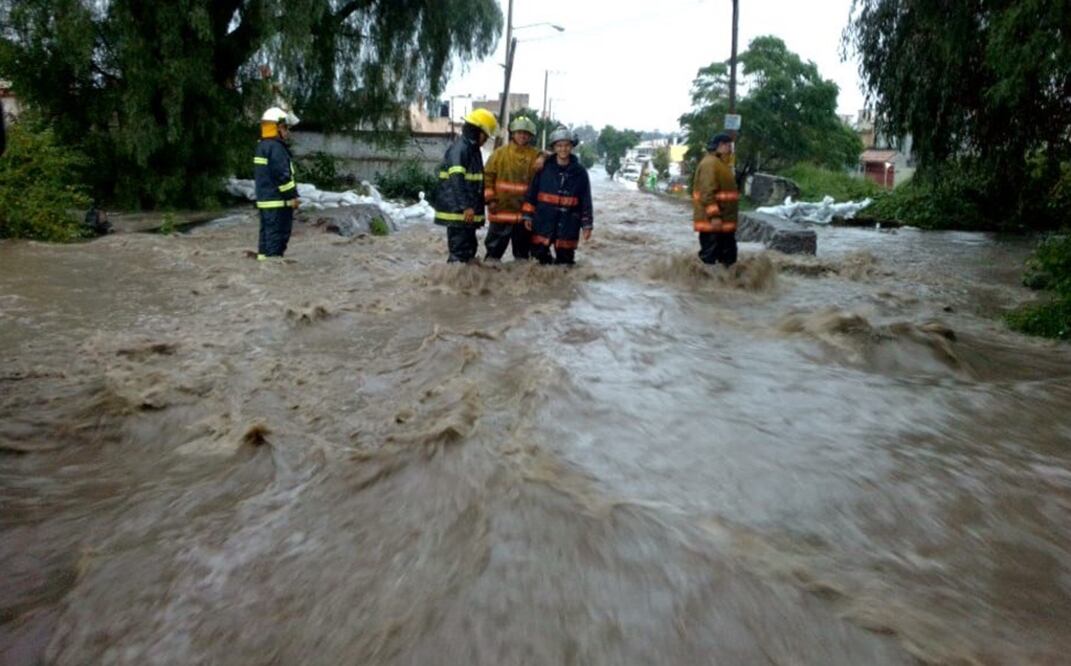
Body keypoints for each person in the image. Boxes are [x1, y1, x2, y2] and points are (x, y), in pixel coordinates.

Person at [432, 108, 498, 263]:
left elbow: (474, 182)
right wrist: (466, 206)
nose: (486, 140)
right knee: (460, 254)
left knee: (468, 250)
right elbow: (457, 180)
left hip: (464, 214)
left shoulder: (471, 149)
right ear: (478, 131)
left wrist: (486, 201)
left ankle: (464, 285)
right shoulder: (461, 149)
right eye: (486, 136)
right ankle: (453, 285)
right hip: (459, 213)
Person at [522, 127, 593, 266]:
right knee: (538, 262)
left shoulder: (580, 172)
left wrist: (587, 225)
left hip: (569, 224)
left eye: (567, 145)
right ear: (554, 147)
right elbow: (532, 193)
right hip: (543, 222)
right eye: (559, 145)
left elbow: (586, 200)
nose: (563, 149)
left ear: (572, 146)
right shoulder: (544, 168)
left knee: (565, 265)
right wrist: (528, 215)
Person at [483, 115, 545, 261]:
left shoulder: (535, 155)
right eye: (519, 132)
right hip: (500, 211)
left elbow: (555, 156)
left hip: (524, 216)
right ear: (513, 133)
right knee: (492, 255)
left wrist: (543, 157)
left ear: (530, 136)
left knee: (522, 258)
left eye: (526, 133)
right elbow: (487, 177)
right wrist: (490, 200)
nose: (522, 136)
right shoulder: (499, 154)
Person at [254, 107, 300, 260]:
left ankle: (262, 272)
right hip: (278, 204)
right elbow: (283, 176)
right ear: (278, 127)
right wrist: (293, 197)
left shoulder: (262, 146)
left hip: (266, 203)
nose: (287, 132)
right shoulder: (276, 148)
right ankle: (273, 277)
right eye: (285, 127)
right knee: (276, 245)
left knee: (265, 244)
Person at [691, 133, 739, 266]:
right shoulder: (710, 164)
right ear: (721, 145)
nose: (730, 149)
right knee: (710, 259)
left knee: (727, 259)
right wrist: (714, 216)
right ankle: (706, 285)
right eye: (729, 146)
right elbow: (707, 192)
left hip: (722, 222)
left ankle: (721, 285)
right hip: (713, 223)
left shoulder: (719, 164)